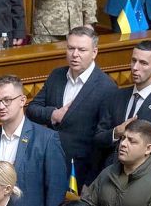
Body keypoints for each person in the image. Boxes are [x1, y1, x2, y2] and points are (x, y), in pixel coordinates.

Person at [27, 26, 117, 188]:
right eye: (70, 48)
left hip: (81, 171)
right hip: (47, 161)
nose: (75, 54)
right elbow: (32, 109)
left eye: (82, 50)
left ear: (94, 52)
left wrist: (91, 180)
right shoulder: (56, 75)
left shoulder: (106, 87)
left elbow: (102, 140)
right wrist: (53, 114)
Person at [0, 75, 68, 206]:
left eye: (7, 100)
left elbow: (56, 191)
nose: (1, 106)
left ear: (22, 100)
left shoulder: (47, 139)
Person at [95, 41, 151, 170]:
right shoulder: (116, 96)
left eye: (143, 63)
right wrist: (116, 132)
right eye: (134, 60)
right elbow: (98, 138)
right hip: (107, 175)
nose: (135, 67)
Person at [81, 119, 151, 206]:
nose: (123, 144)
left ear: (148, 149)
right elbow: (87, 202)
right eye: (123, 138)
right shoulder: (108, 173)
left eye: (132, 141)